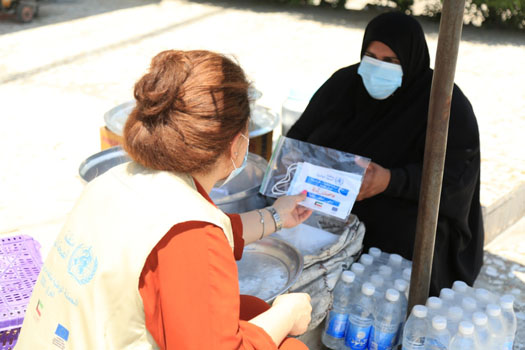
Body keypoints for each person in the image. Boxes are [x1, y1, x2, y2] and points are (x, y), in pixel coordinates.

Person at [18, 50, 313, 349]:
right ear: (235, 143)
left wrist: (277, 216)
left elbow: (202, 234)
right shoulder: (191, 233)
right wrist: (288, 314)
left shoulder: (117, 180)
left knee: (247, 308)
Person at [287, 12, 484, 296]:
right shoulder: (344, 84)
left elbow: (456, 178)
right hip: (336, 199)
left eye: (391, 61)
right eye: (371, 56)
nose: (378, 68)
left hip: (404, 205)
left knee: (404, 230)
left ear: (411, 58)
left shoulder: (444, 102)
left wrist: (391, 180)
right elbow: (299, 140)